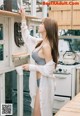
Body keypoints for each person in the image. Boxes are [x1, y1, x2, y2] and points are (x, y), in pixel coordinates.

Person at [20, 8, 59, 116]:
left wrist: (31, 67)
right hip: (38, 83)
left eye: (42, 23)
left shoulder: (46, 46)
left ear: (47, 27)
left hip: (44, 84)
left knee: (38, 113)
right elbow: (27, 37)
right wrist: (23, 18)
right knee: (37, 113)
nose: (40, 25)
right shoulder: (40, 42)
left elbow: (50, 69)